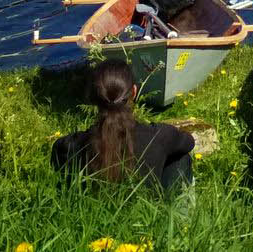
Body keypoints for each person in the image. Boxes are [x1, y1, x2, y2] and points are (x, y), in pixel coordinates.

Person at [52, 58, 194, 189]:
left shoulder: (73, 145)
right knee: (181, 157)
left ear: (93, 97)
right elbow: (189, 142)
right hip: (146, 213)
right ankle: (179, 213)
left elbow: (57, 152)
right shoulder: (159, 136)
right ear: (134, 92)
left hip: (90, 212)